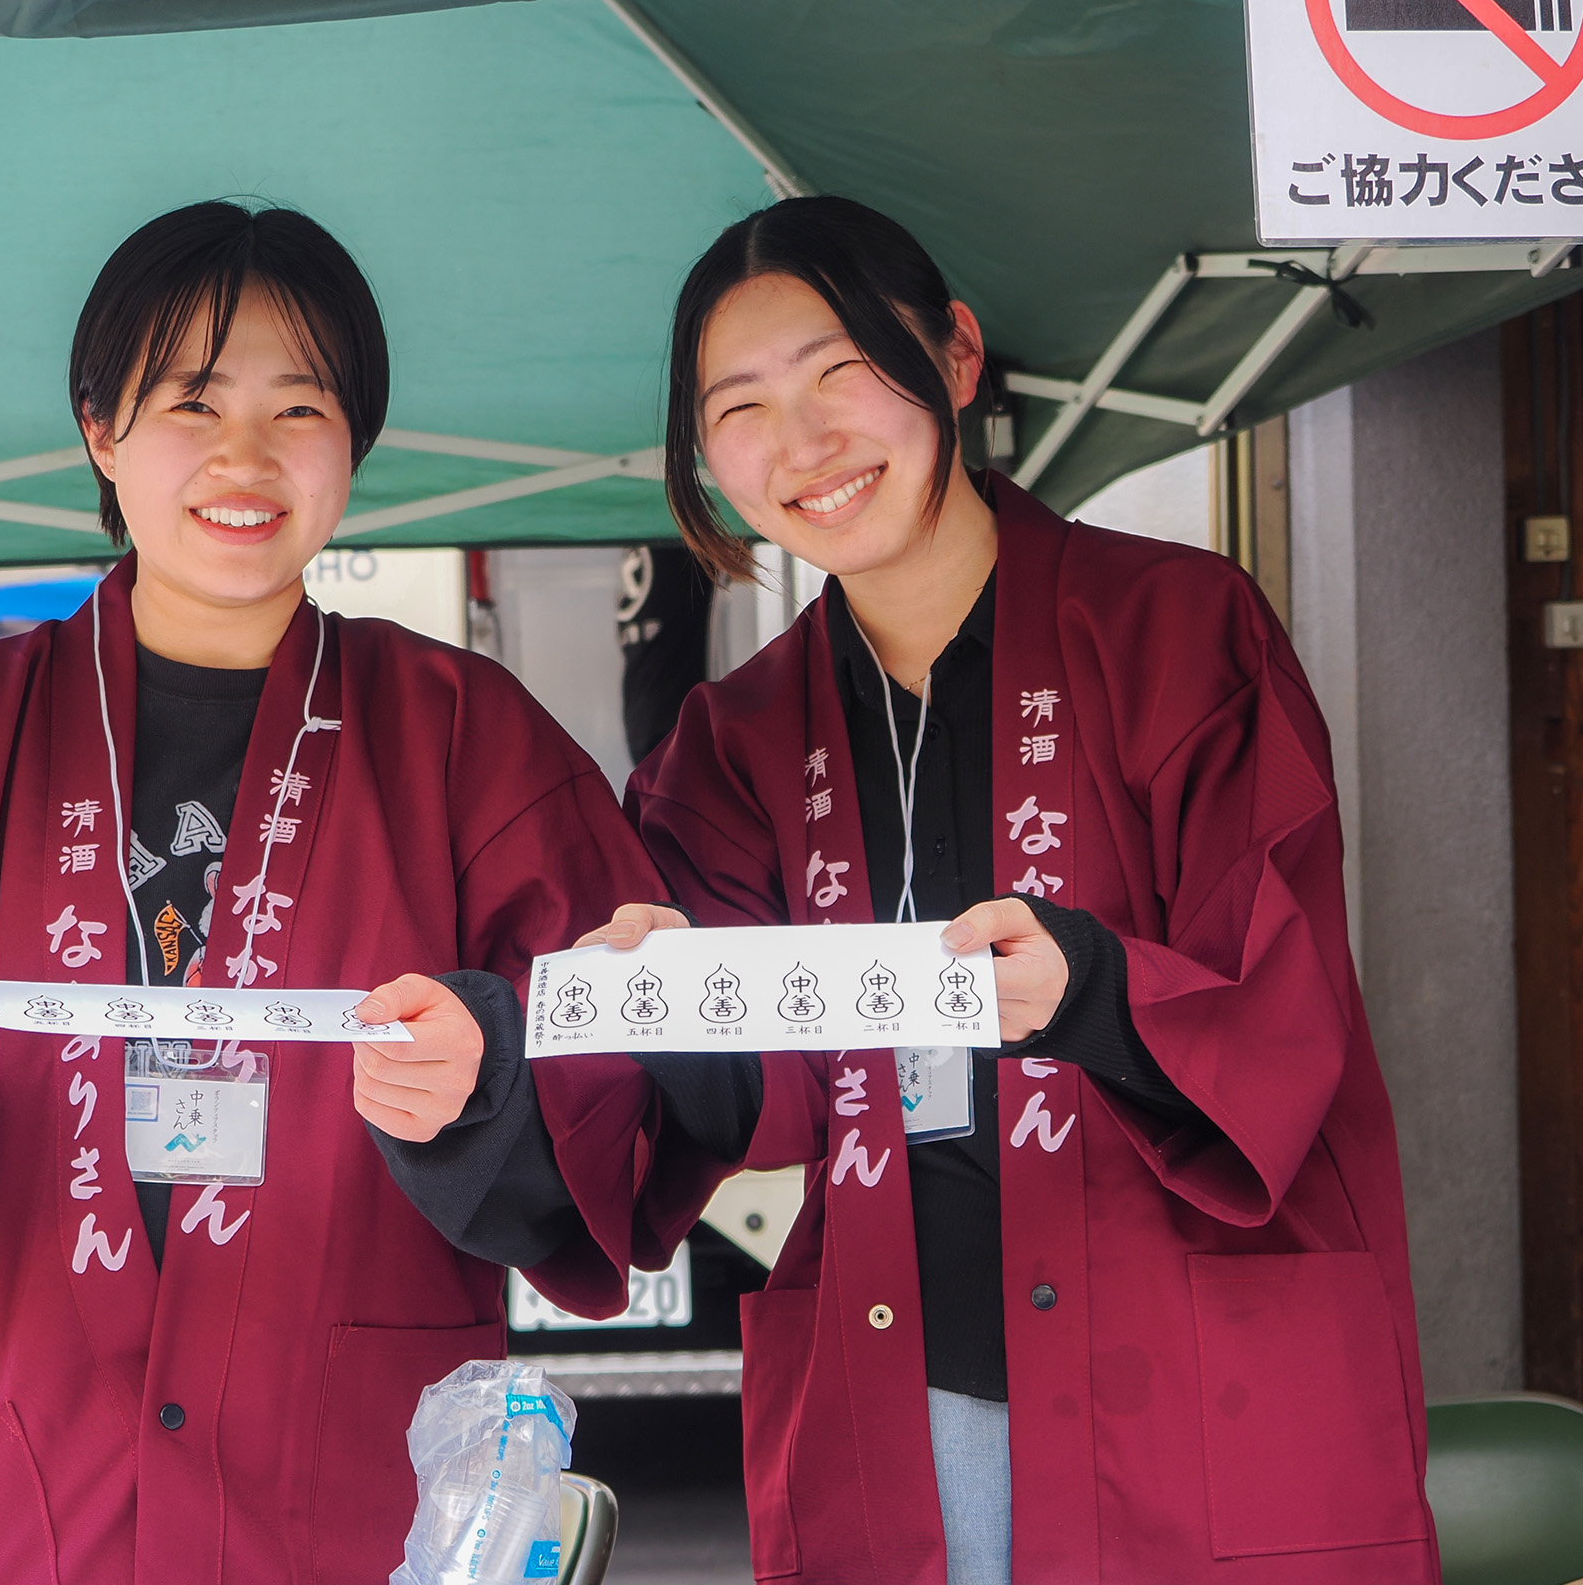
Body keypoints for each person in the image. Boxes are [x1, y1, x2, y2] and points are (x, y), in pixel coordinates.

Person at [0, 203, 681, 1584]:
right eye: (190, 404)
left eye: (301, 409)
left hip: (345, 1465)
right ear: (100, 431)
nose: (245, 458)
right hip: (39, 1465)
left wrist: (495, 1072)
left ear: (356, 445)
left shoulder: (467, 732)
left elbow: (628, 1055)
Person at [540, 197, 1435, 1582]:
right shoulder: (733, 743)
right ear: (708, 461)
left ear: (954, 356)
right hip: (901, 1393)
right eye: (743, 409)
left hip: (1187, 1380)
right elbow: (730, 1098)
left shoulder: (1176, 632)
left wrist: (1091, 989)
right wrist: (657, 989)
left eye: (843, 372)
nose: (806, 443)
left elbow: (1279, 993)